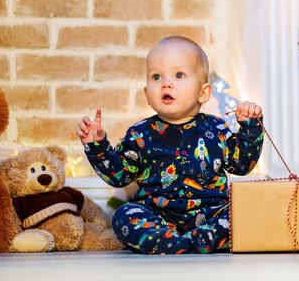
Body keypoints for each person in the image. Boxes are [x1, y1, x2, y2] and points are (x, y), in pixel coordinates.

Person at [76, 36, 264, 254]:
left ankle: (198, 240)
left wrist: (251, 127)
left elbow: (242, 165)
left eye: (179, 75)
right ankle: (172, 242)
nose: (166, 83)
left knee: (242, 212)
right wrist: (97, 145)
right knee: (123, 216)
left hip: (210, 215)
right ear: (147, 94)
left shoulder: (217, 129)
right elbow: (119, 176)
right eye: (156, 76)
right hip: (158, 216)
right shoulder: (140, 134)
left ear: (203, 93)